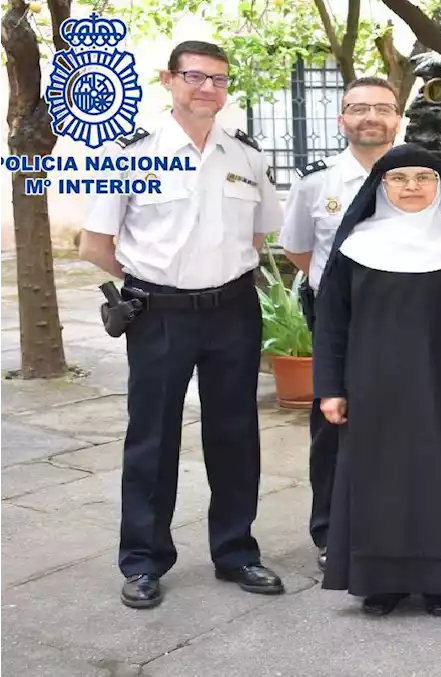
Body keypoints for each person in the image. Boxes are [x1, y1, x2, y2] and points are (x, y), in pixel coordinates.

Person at [77, 40, 285, 609]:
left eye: (218, 80)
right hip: (159, 314)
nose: (207, 89)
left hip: (232, 312)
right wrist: (150, 278)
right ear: (168, 80)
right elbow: (95, 244)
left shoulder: (245, 155)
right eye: (194, 77)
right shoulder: (128, 151)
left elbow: (261, 235)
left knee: (235, 433)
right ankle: (143, 561)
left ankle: (237, 551)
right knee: (152, 436)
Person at [312, 144, 441, 616]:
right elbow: (330, 322)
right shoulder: (356, 243)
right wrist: (330, 387)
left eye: (423, 178)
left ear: (440, 185)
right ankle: (380, 581)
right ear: (381, 186)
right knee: (377, 479)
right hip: (373, 386)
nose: (411, 187)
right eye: (400, 178)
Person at [280, 75, 402, 573]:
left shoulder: (419, 175)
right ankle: (331, 530)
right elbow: (298, 248)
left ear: (397, 118)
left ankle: (398, 524)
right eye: (358, 108)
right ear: (342, 118)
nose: (370, 117)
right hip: (340, 320)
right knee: (334, 421)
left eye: (381, 108)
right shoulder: (317, 181)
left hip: (406, 319)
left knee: (404, 422)